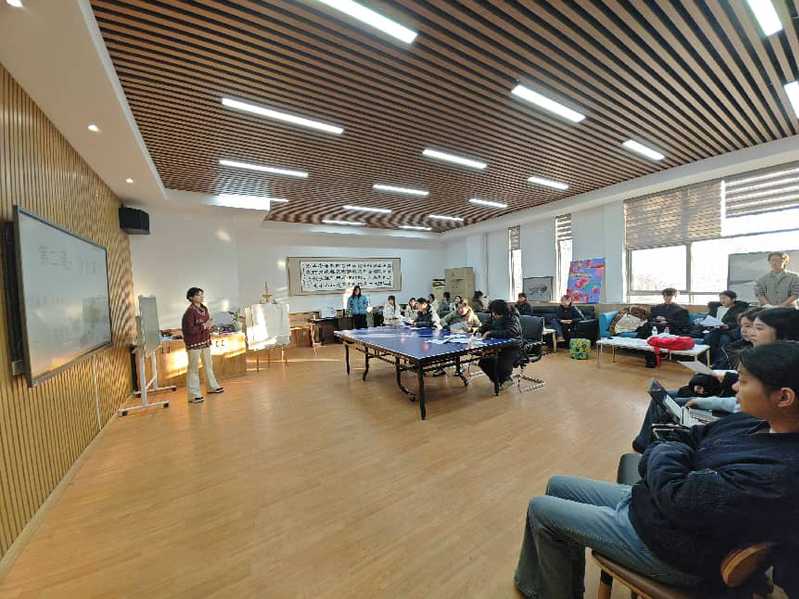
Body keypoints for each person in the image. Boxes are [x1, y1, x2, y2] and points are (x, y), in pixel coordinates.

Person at [515, 341, 799, 599]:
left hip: (675, 548)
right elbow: (688, 437)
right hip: (656, 508)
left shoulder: (779, 472)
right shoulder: (754, 422)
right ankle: (549, 584)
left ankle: (544, 591)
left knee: (541, 508)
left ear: (784, 397)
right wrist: (674, 461)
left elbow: (678, 491)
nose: (735, 387)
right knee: (557, 484)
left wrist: (668, 457)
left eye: (744, 382)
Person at [632, 307, 799, 452]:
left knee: (667, 402)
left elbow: (740, 404)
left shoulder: (778, 368)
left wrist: (707, 402)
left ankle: (649, 445)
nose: (750, 332)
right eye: (748, 327)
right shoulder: (748, 351)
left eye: (758, 328)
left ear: (783, 334)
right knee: (667, 400)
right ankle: (649, 443)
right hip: (726, 402)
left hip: (730, 411)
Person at [181, 287, 224, 404]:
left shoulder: (204, 309)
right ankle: (193, 395)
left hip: (205, 341)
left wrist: (210, 326)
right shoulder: (189, 312)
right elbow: (189, 330)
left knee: (208, 365)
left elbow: (206, 323)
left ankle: (212, 386)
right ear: (191, 297)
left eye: (202, 295)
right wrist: (204, 326)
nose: (201, 297)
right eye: (198, 295)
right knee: (193, 368)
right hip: (194, 343)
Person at [477, 299, 522, 391]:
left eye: (495, 313)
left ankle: (504, 379)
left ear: (503, 312)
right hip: (498, 345)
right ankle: (502, 380)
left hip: (512, 346)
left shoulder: (512, 317)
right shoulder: (493, 316)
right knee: (483, 362)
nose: (493, 315)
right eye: (493, 312)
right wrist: (479, 331)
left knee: (501, 364)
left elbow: (512, 332)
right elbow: (485, 326)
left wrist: (490, 333)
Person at [702, 290, 750, 362]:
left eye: (724, 298)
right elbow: (707, 318)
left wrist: (728, 325)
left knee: (724, 339)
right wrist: (707, 323)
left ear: (733, 299)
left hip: (728, 331)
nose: (722, 300)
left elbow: (739, 322)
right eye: (720, 298)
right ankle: (707, 361)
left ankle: (720, 362)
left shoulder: (739, 309)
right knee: (709, 337)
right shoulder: (716, 308)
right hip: (714, 329)